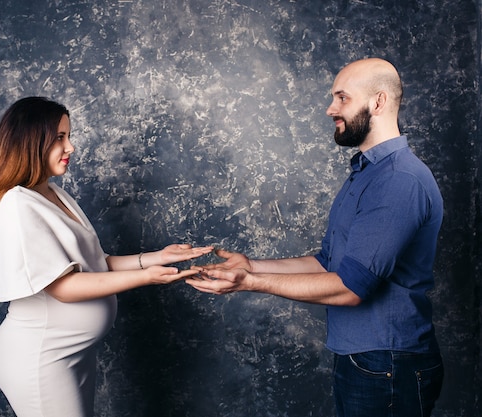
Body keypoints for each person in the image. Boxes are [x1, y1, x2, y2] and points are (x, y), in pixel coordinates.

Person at [186, 58, 444, 417]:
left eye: (342, 98)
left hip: (388, 364)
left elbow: (350, 288)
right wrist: (251, 265)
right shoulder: (368, 172)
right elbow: (328, 262)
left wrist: (251, 282)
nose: (330, 109)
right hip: (363, 359)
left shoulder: (399, 180)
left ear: (379, 102)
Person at [0, 96, 213, 417]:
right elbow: (62, 287)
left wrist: (156, 257)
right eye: (60, 137)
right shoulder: (18, 204)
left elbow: (97, 263)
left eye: (68, 136)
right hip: (42, 356)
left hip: (73, 352)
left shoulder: (51, 193)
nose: (71, 147)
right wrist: (146, 277)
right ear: (32, 141)